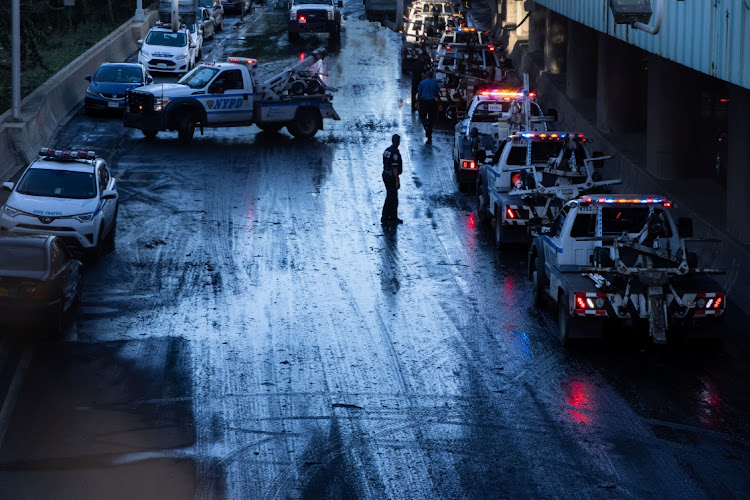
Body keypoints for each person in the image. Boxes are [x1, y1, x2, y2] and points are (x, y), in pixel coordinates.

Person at [382, 134, 404, 224]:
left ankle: (388, 216)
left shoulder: (387, 150)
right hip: (391, 176)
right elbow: (395, 168)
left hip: (385, 174)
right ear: (398, 142)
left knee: (390, 196)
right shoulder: (395, 153)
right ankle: (389, 217)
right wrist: (397, 181)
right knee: (393, 197)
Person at [416, 71, 440, 144]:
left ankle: (426, 125)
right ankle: (429, 136)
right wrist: (439, 103)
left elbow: (419, 93)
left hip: (424, 102)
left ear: (426, 75)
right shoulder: (434, 83)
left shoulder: (422, 83)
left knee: (422, 115)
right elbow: (437, 94)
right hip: (432, 102)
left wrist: (417, 102)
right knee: (431, 119)